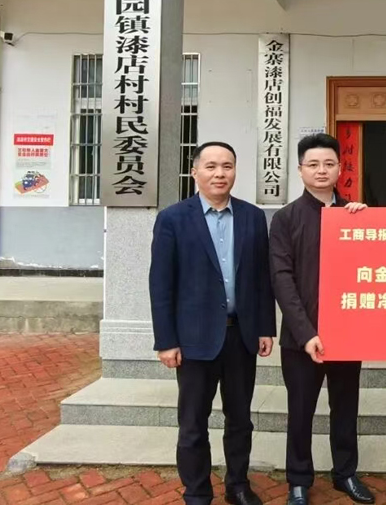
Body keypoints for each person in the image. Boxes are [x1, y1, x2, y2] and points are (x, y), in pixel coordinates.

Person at [149, 142, 275, 505]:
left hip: (241, 337)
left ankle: (238, 485)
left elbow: (261, 277)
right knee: (193, 424)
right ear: (195, 172)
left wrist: (265, 327)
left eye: (227, 166)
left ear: (235, 171)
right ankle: (197, 492)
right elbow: (161, 283)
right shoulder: (173, 218)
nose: (220, 173)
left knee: (241, 420)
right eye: (211, 166)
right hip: (193, 340)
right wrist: (165, 340)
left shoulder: (253, 217)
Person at [270, 133, 374, 505]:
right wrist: (305, 333)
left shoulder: (355, 216)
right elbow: (281, 279)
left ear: (340, 169)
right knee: (300, 411)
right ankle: (298, 480)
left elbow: (373, 269)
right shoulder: (285, 219)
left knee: (345, 407)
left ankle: (345, 473)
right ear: (300, 170)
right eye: (313, 164)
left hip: (346, 334)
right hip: (302, 339)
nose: (321, 170)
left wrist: (366, 226)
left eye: (329, 164)